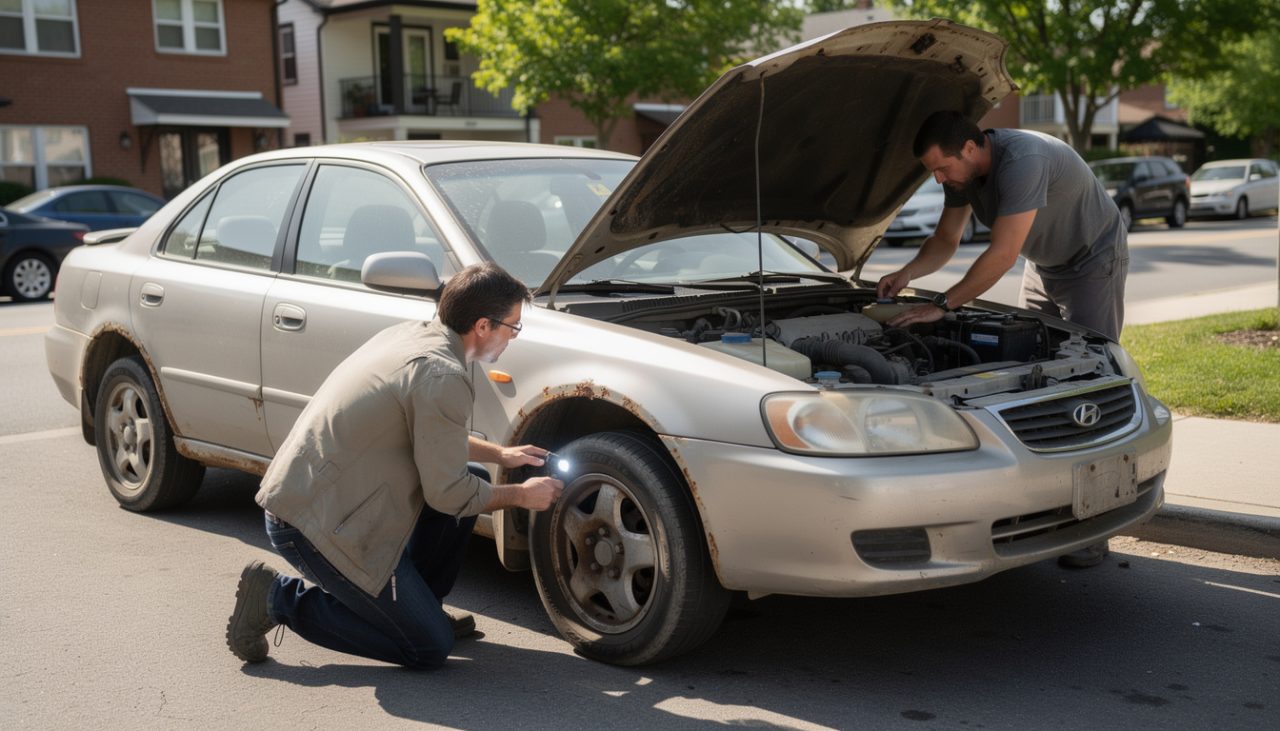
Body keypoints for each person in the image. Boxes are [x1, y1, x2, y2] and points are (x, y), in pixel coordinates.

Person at [226, 262, 564, 668]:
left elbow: (431, 439)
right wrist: (521, 496)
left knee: (471, 477)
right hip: (311, 522)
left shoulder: (414, 336)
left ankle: (416, 609)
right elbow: (449, 493)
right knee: (428, 648)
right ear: (482, 325)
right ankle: (276, 598)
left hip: (326, 497)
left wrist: (501, 455)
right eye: (513, 326)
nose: (513, 337)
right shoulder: (442, 375)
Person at [877, 110, 1128, 569]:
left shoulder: (1023, 159)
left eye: (942, 167)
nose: (937, 179)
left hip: (1092, 259)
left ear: (970, 149)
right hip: (1045, 264)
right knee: (1032, 382)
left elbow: (1003, 252)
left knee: (1088, 387)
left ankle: (1096, 527)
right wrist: (906, 274)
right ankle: (1042, 511)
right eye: (932, 170)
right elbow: (946, 239)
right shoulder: (963, 178)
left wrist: (944, 305)